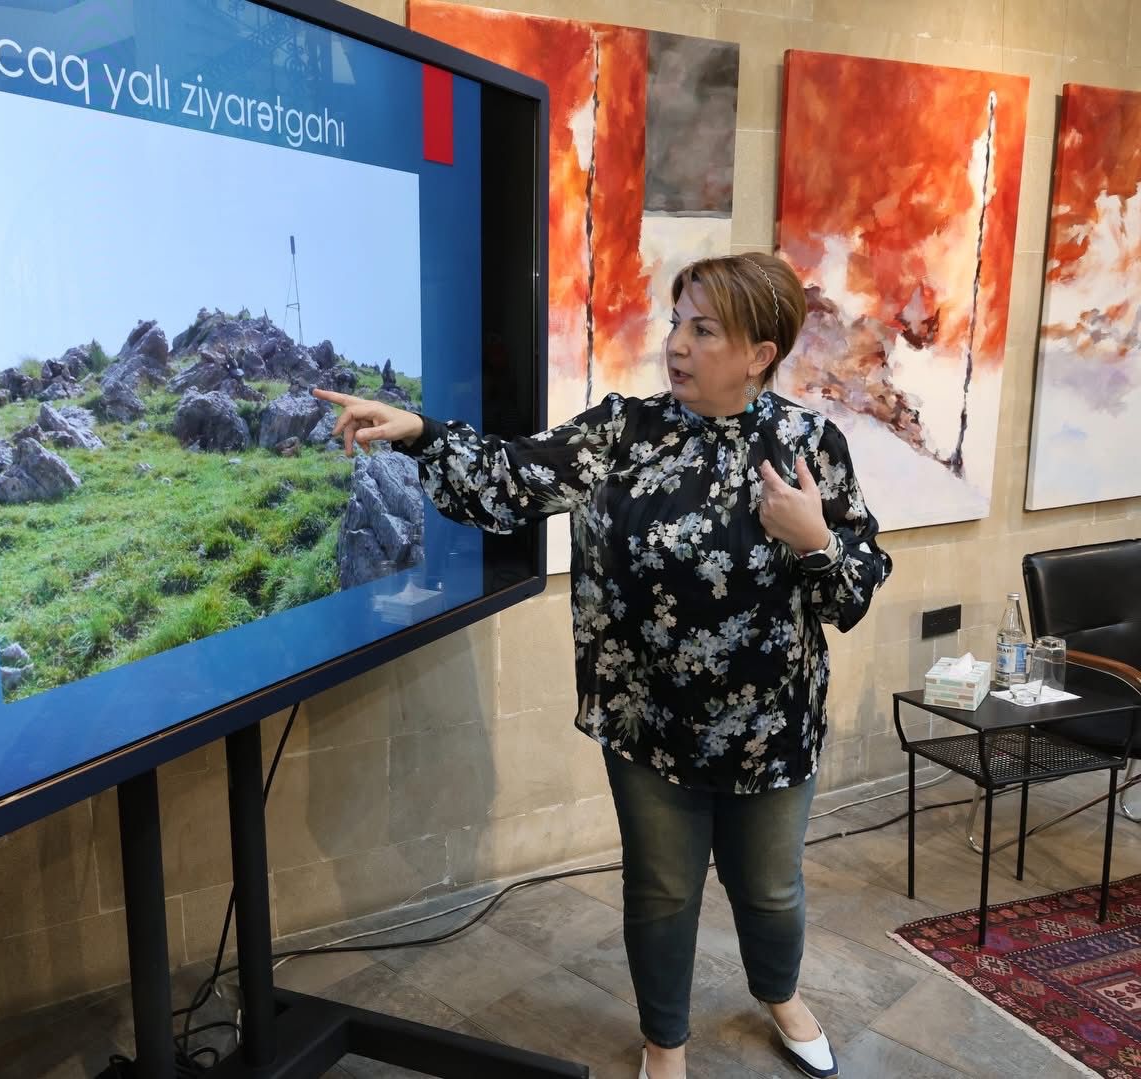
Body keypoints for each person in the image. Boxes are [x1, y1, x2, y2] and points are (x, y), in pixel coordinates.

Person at [315, 253, 891, 1079]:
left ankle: (780, 991)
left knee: (770, 888)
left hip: (770, 726)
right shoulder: (625, 431)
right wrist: (422, 434)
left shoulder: (808, 445)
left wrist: (816, 541)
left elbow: (853, 589)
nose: (677, 345)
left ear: (761, 352)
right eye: (675, 324)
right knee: (661, 890)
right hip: (645, 719)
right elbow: (515, 476)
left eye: (702, 329)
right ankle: (665, 1040)